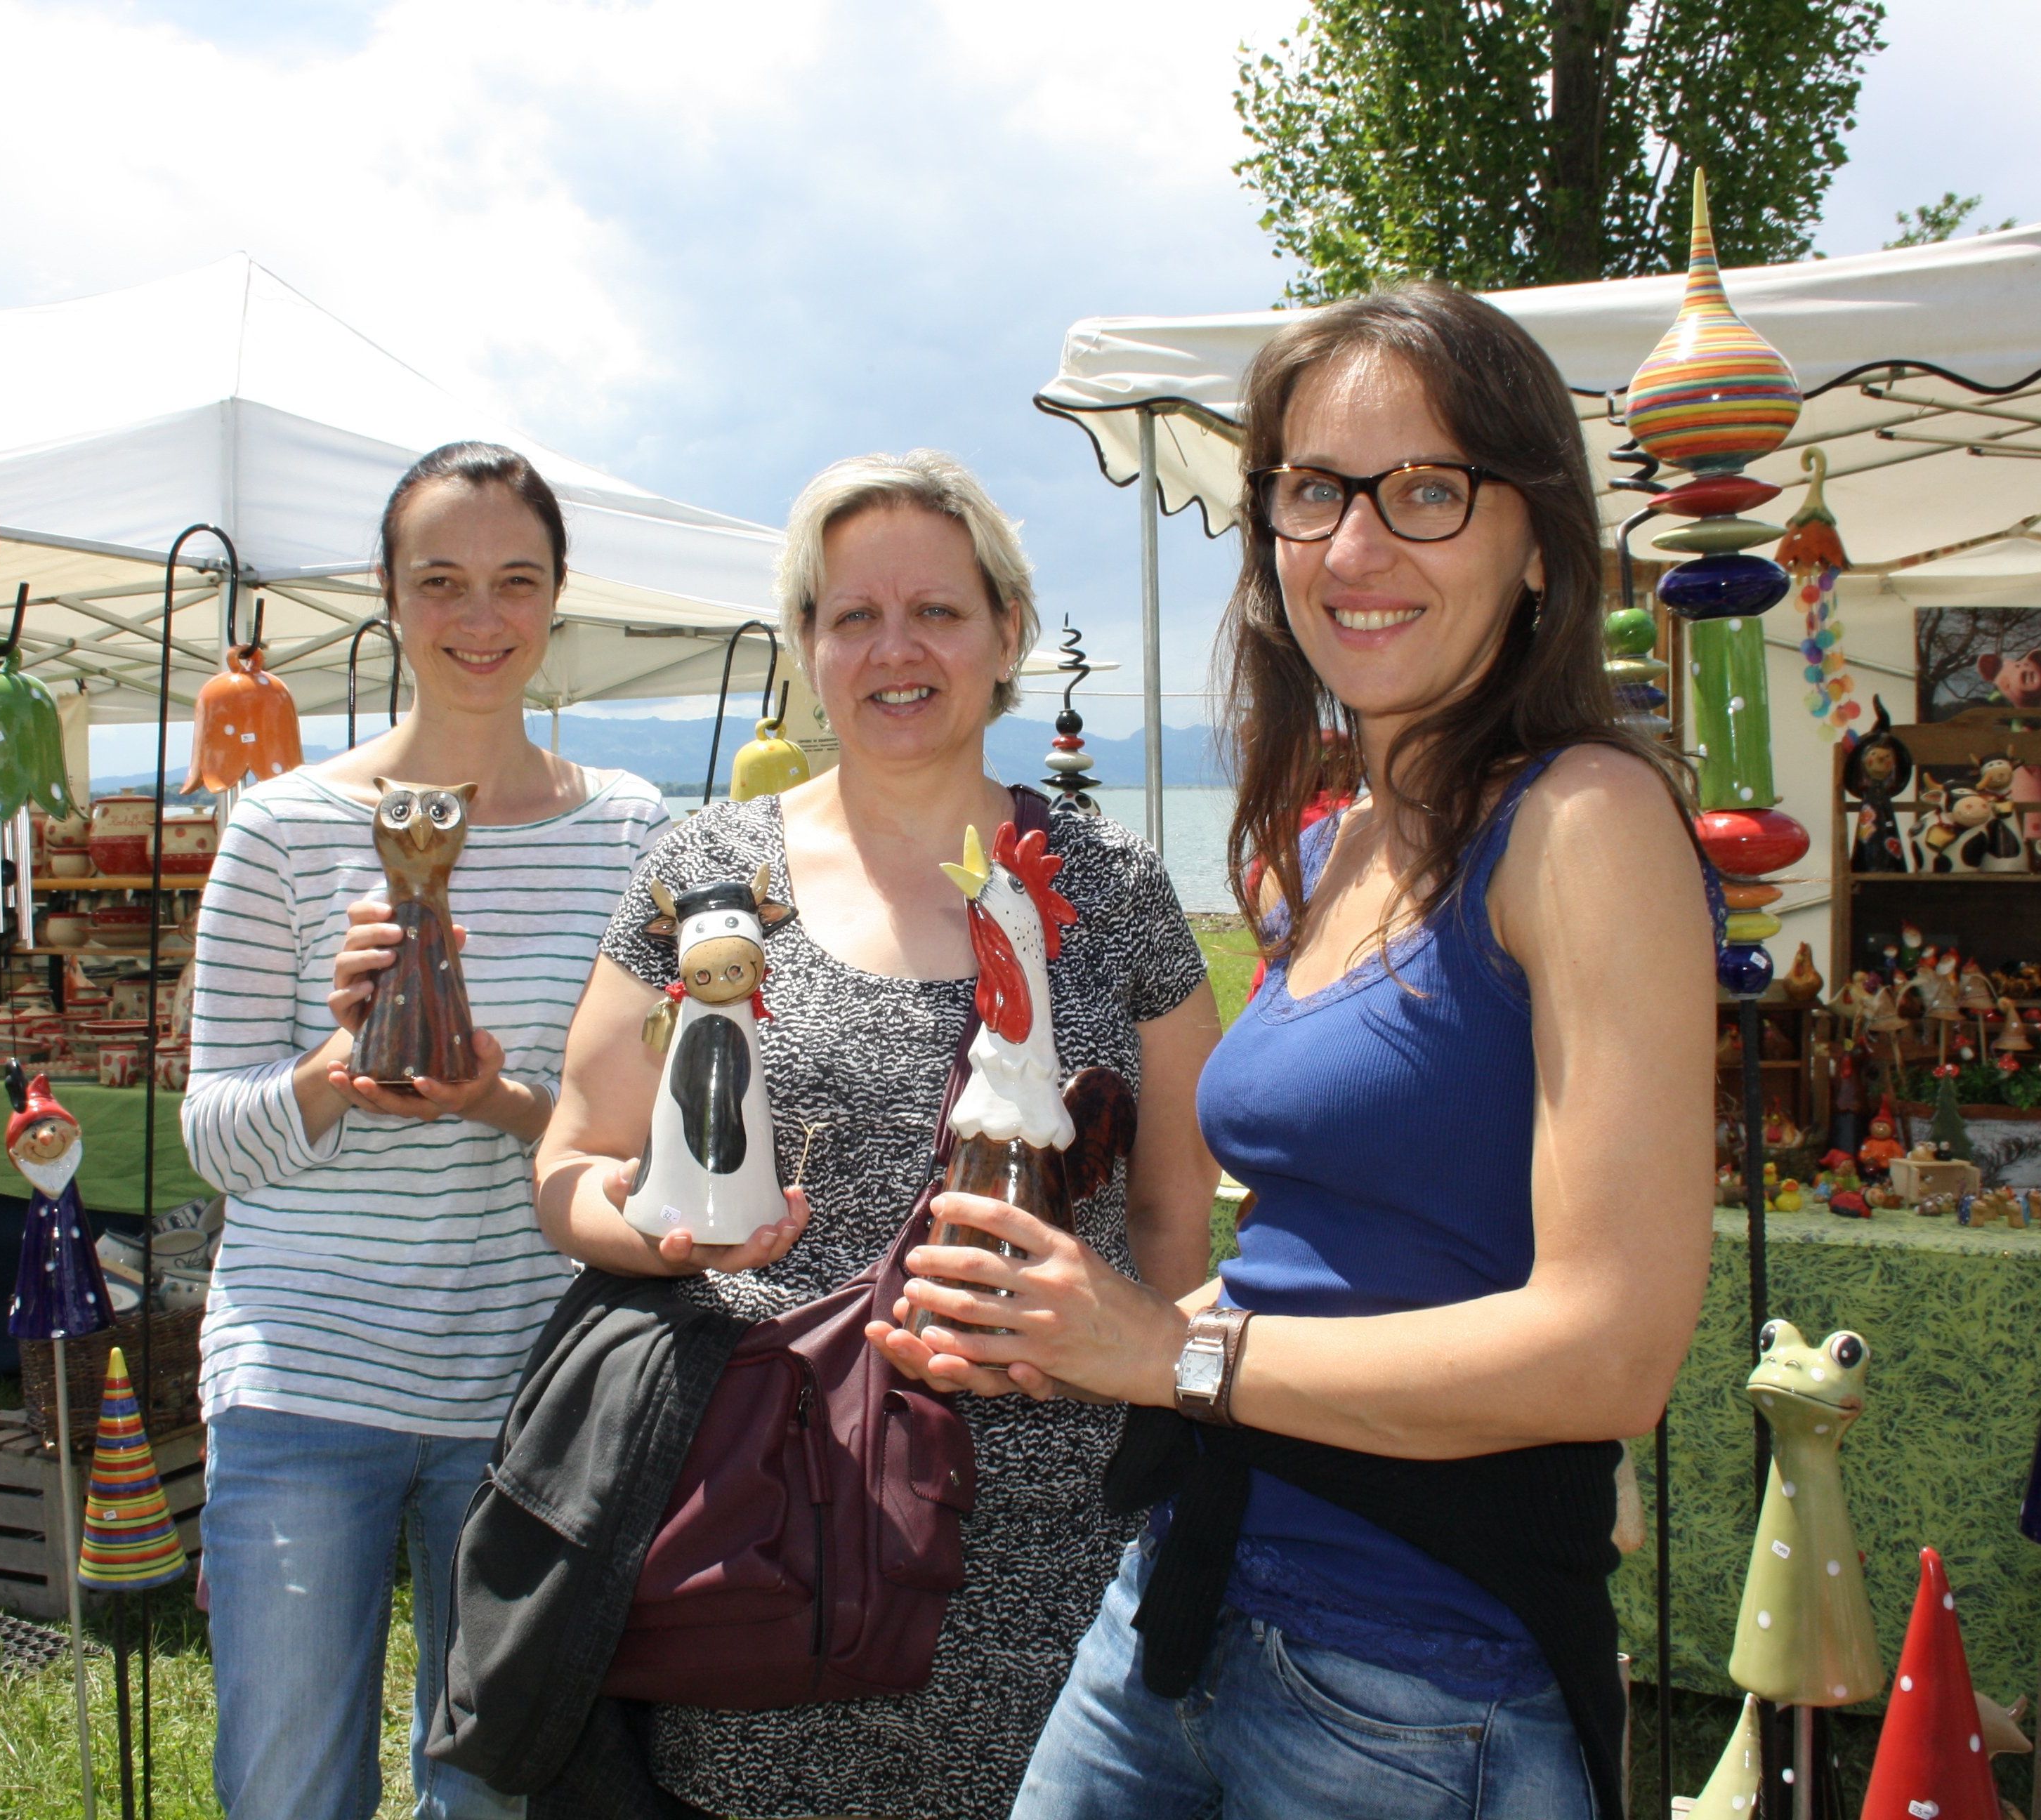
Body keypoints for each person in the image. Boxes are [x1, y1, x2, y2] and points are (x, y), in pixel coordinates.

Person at [884, 289, 1717, 1820]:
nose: (1353, 549)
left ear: (1537, 536)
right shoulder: (1341, 844)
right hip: (1181, 1609)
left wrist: (1166, 1352)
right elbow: (1341, 1257)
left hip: (1419, 1681)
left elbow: (1615, 1348)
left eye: (1426, 491)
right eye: (1313, 491)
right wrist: (1085, 1329)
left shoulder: (1585, 822)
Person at [535, 449, 1222, 1820]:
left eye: (938, 612)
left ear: (1006, 634)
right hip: (770, 1539)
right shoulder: (703, 877)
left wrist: (1148, 1370)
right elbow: (568, 1166)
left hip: (1052, 1558)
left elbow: (1170, 1219)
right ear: (805, 646)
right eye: (852, 616)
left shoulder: (1118, 886)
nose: (894, 650)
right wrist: (662, 1234)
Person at [183, 442, 667, 1820]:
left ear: (557, 598)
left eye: (515, 581)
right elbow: (215, 1136)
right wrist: (338, 1070)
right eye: (441, 581)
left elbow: (633, 1137)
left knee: (491, 1795)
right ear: (389, 601)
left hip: (527, 1395)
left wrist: (499, 1101)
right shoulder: (279, 827)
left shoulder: (629, 829)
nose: (479, 617)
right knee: (287, 1793)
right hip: (301, 1381)